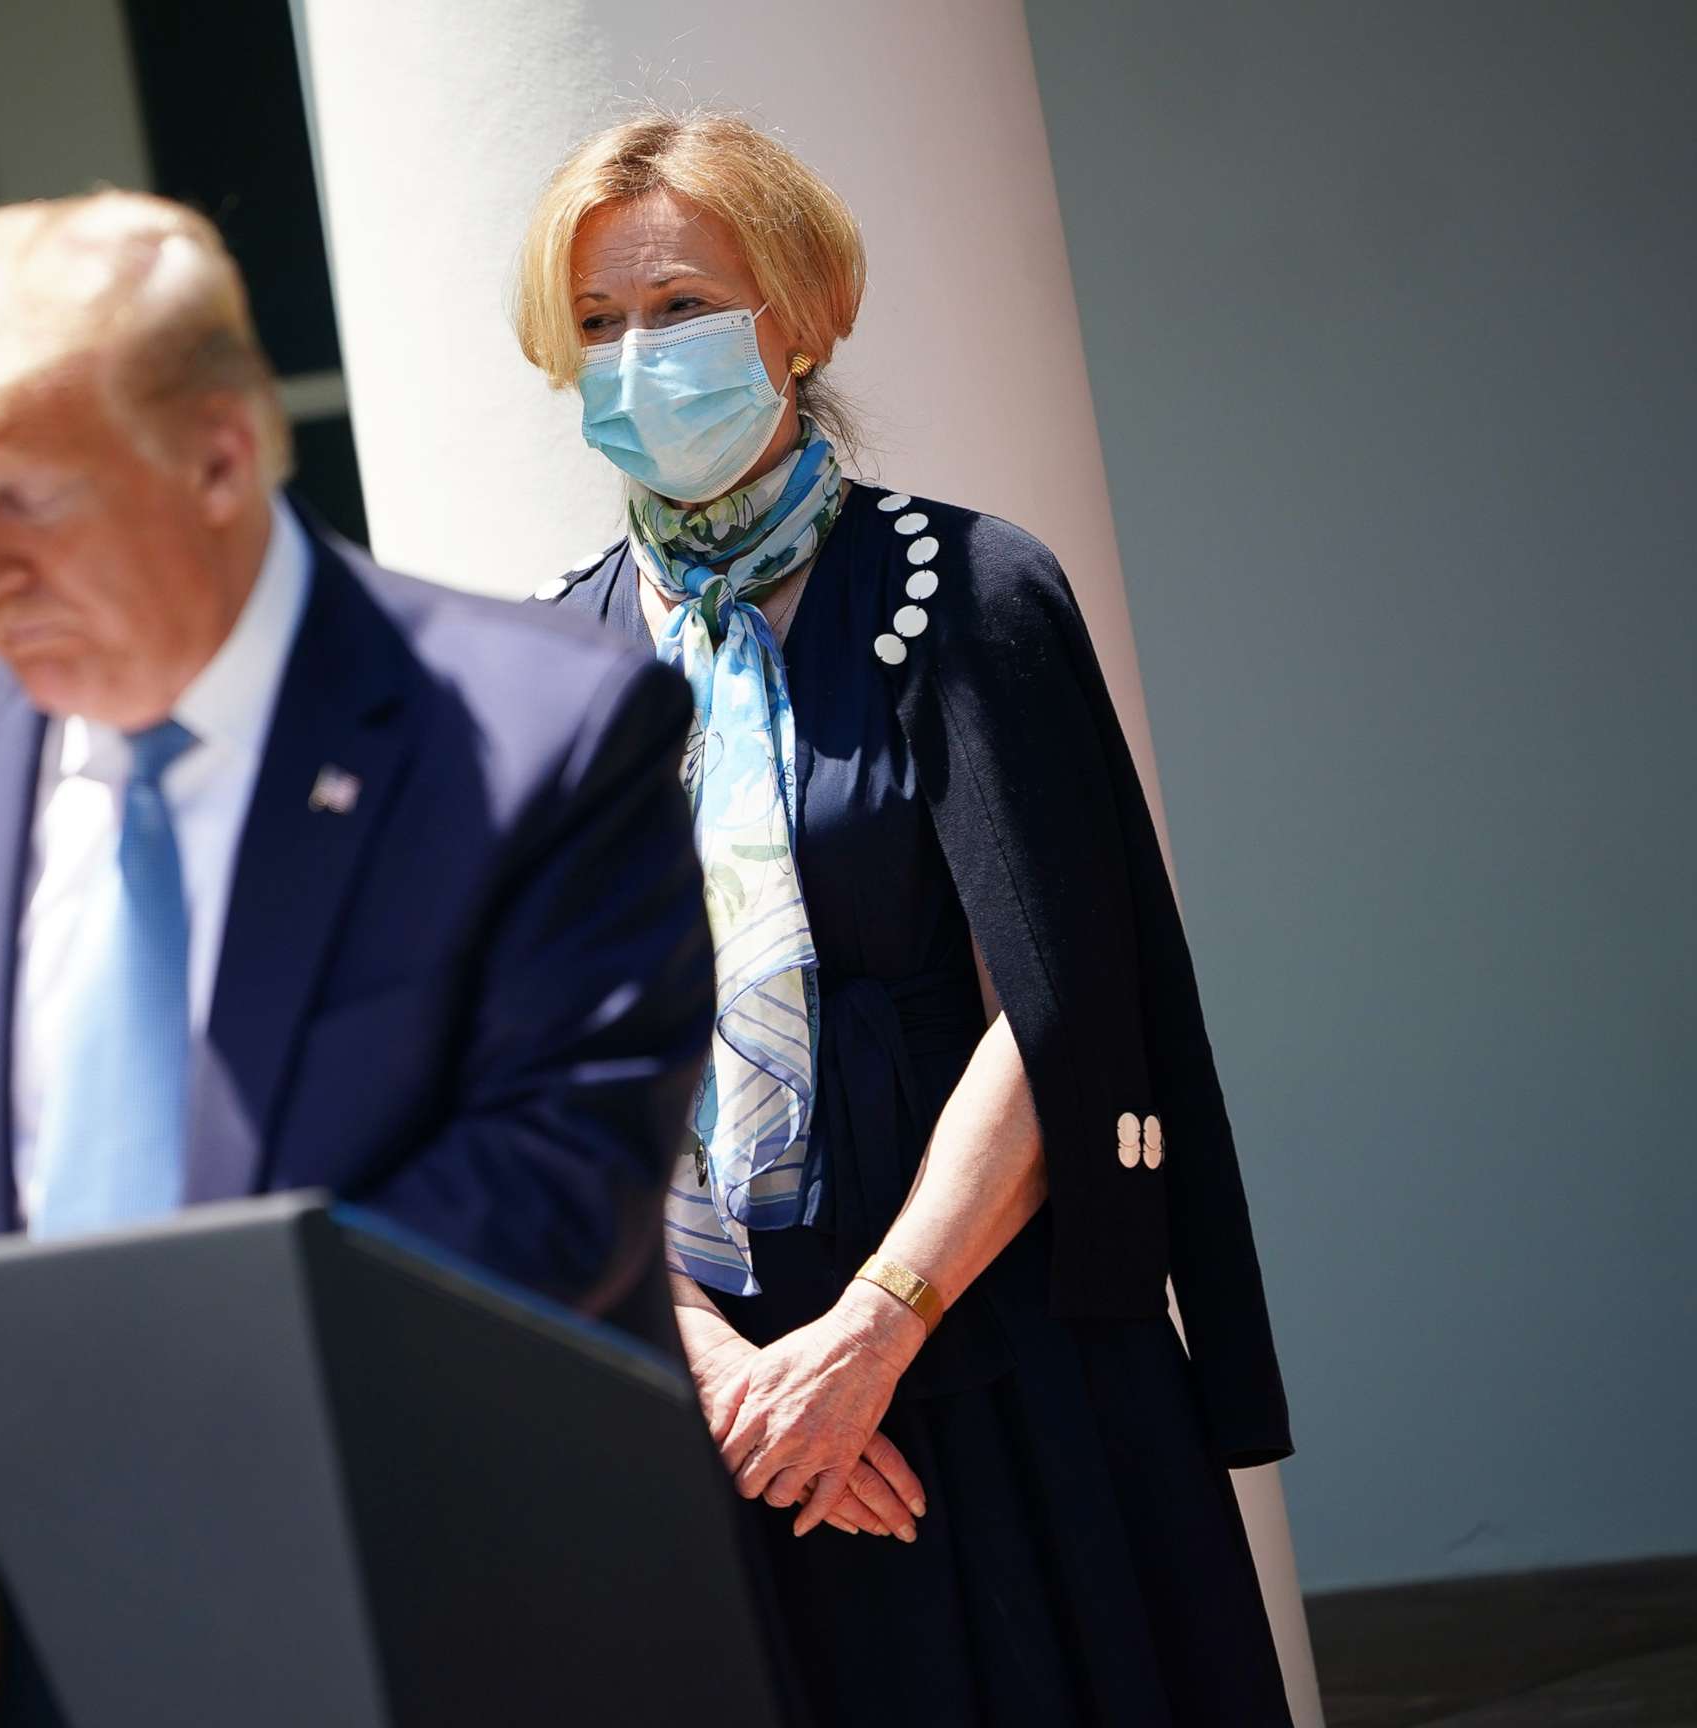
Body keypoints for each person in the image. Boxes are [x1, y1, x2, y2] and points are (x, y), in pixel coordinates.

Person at [517, 113, 1296, 1723]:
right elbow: (539, 1088)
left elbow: (1062, 1014)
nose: (639, 357)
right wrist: (732, 1382)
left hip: (997, 1383)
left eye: (680, 309)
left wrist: (865, 1343)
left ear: (795, 318)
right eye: (601, 324)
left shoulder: (972, 591)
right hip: (717, 1429)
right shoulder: (539, 675)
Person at [0, 192, 714, 1341]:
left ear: (220, 458)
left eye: (22, 502)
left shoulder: (539, 738)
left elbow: (551, 1192)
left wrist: (142, 1400)